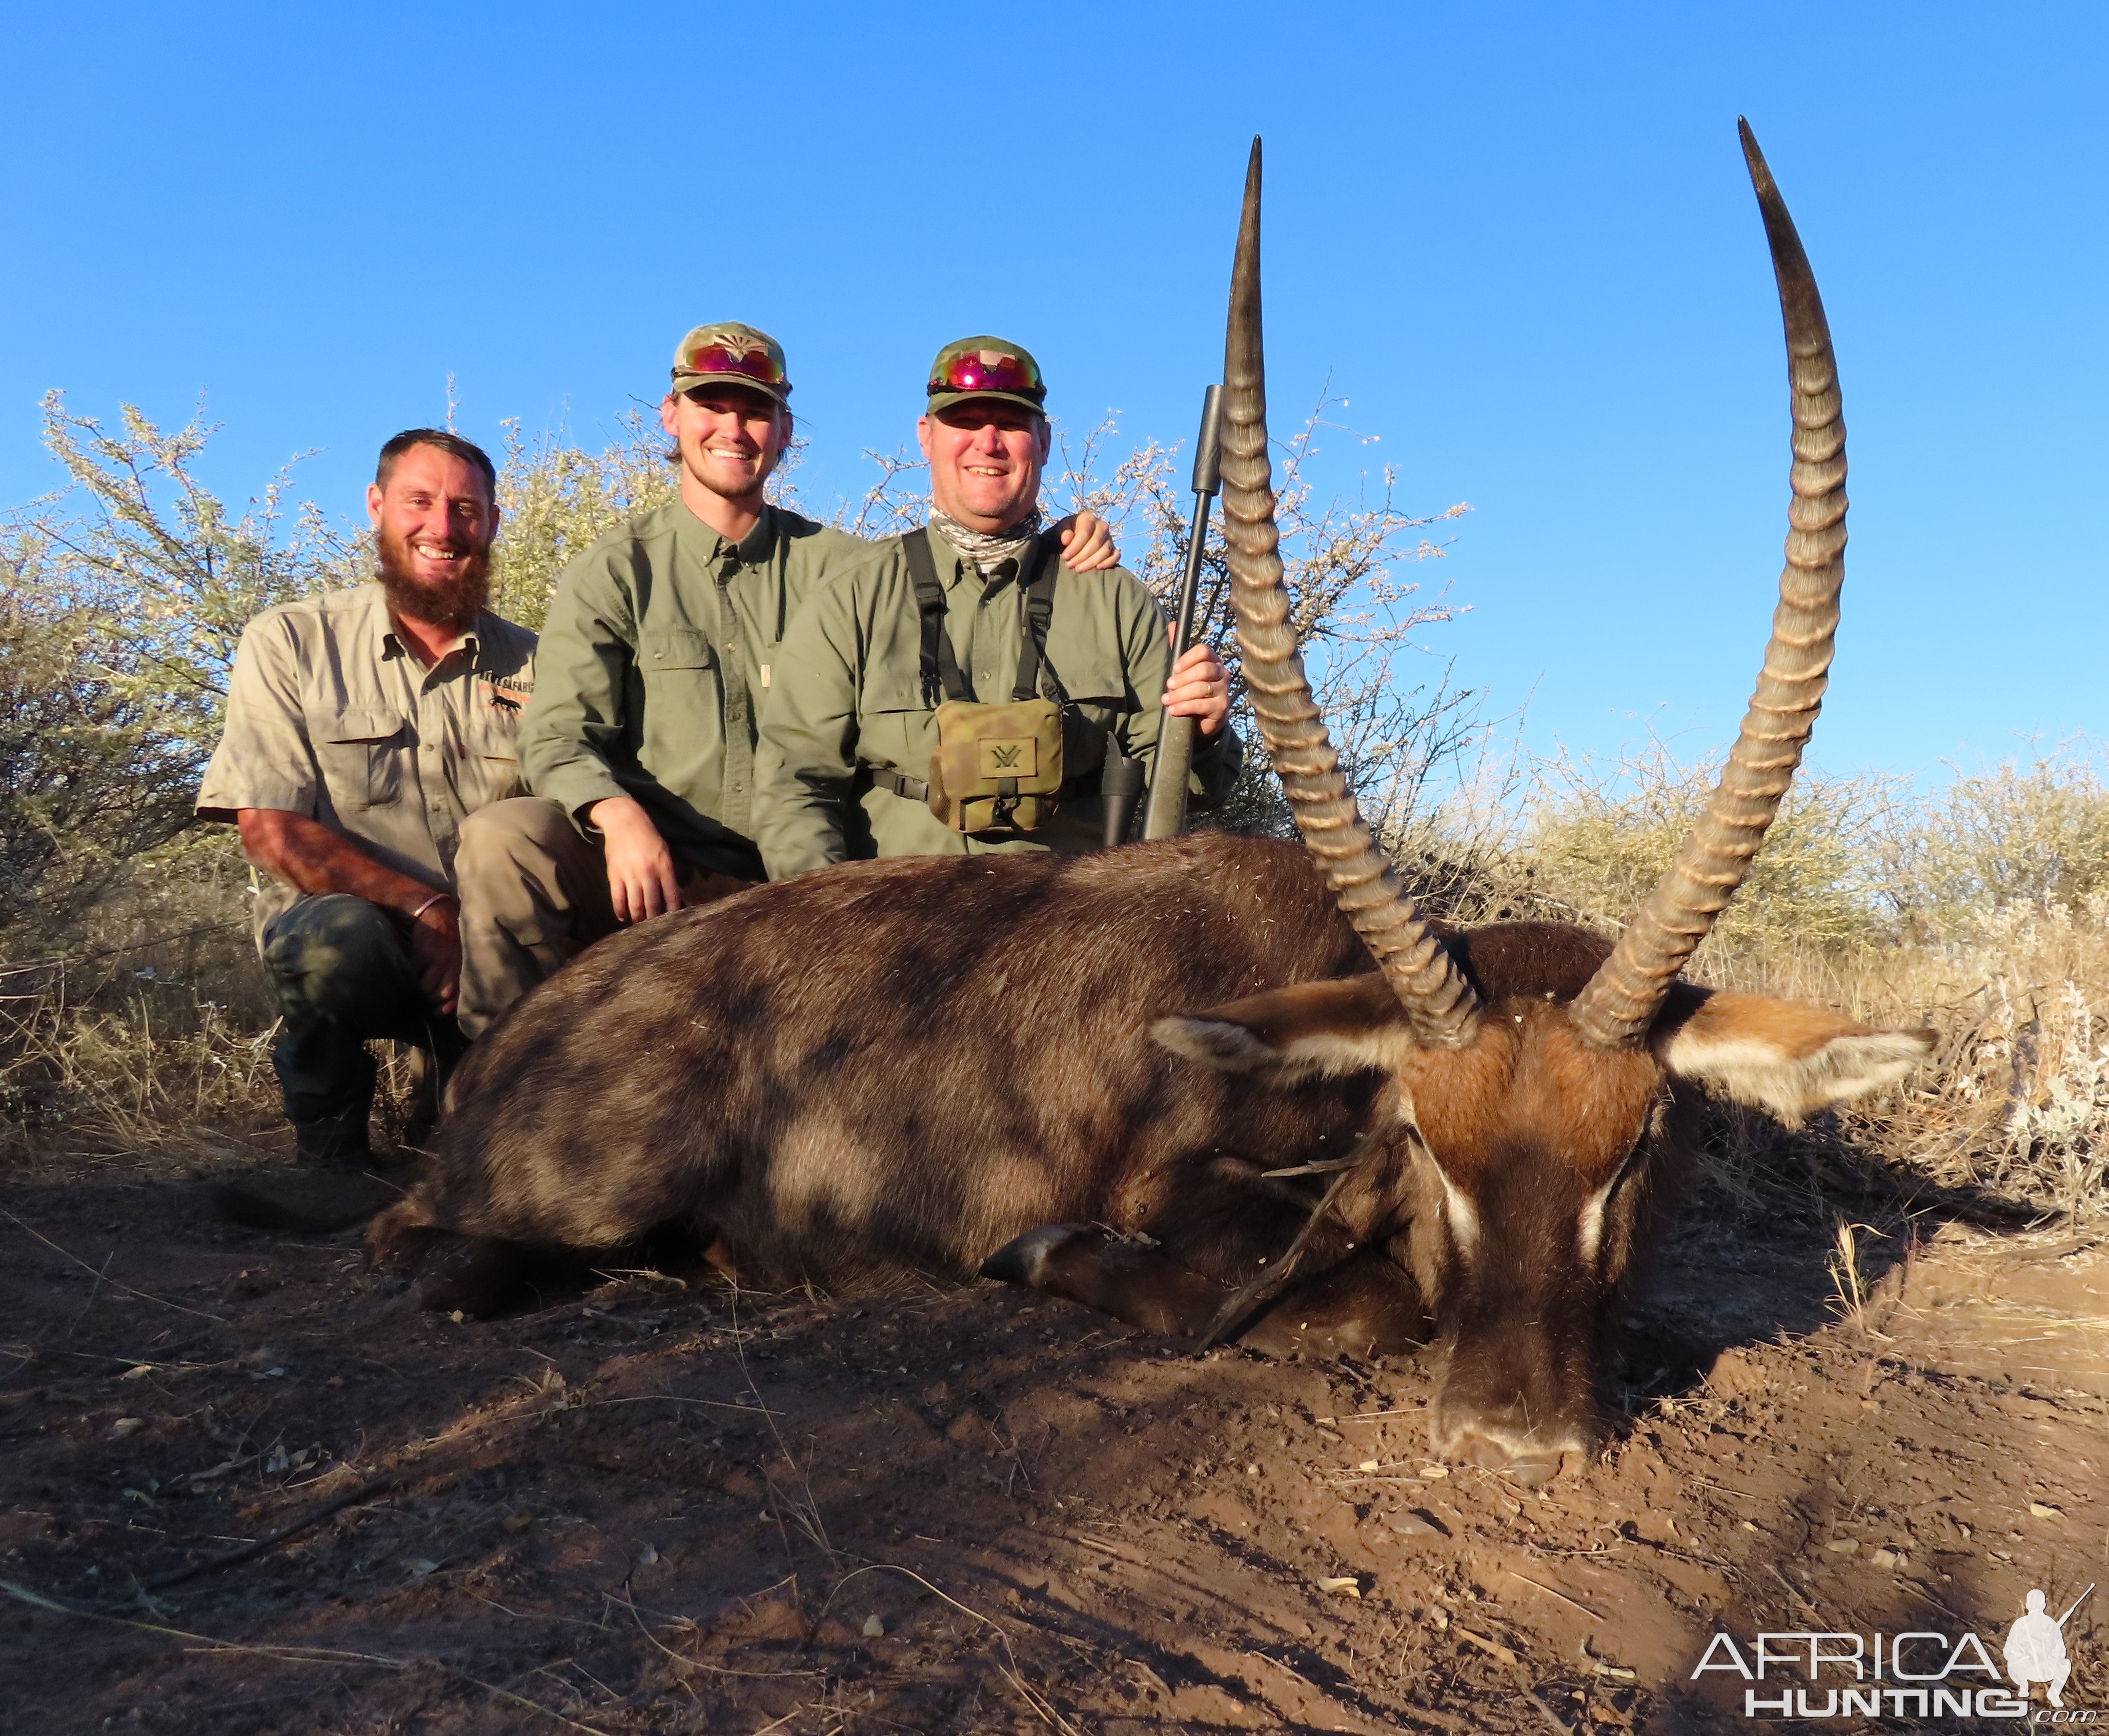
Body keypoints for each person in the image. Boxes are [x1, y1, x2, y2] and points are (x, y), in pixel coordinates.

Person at [453, 322, 1120, 1035]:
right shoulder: (615, 570)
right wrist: (615, 816)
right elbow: (556, 737)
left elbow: (974, 599)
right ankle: (484, 1082)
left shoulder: (850, 568)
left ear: (783, 430)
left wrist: (1053, 548)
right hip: (657, 868)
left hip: (806, 873)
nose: (733, 429)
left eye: (755, 411)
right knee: (506, 836)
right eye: (713, 407)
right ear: (672, 416)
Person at [195, 429, 534, 1226]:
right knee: (328, 943)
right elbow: (270, 828)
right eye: (420, 502)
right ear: (378, 508)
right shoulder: (290, 639)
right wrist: (424, 909)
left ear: (491, 522)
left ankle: (460, 1121)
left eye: (465, 509)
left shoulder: (538, 663)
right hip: (374, 927)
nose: (442, 527)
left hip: (494, 950)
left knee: (481, 1145)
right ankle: (332, 1150)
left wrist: (474, 931)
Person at [753, 336, 1237, 877]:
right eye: (964, 421)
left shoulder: (1115, 598)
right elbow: (794, 784)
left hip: (1070, 933)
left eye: (1010, 423)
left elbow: (1195, 788)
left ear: (1045, 441)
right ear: (926, 438)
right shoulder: (851, 597)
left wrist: (1203, 729)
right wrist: (832, 931)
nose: (988, 442)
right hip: (892, 931)